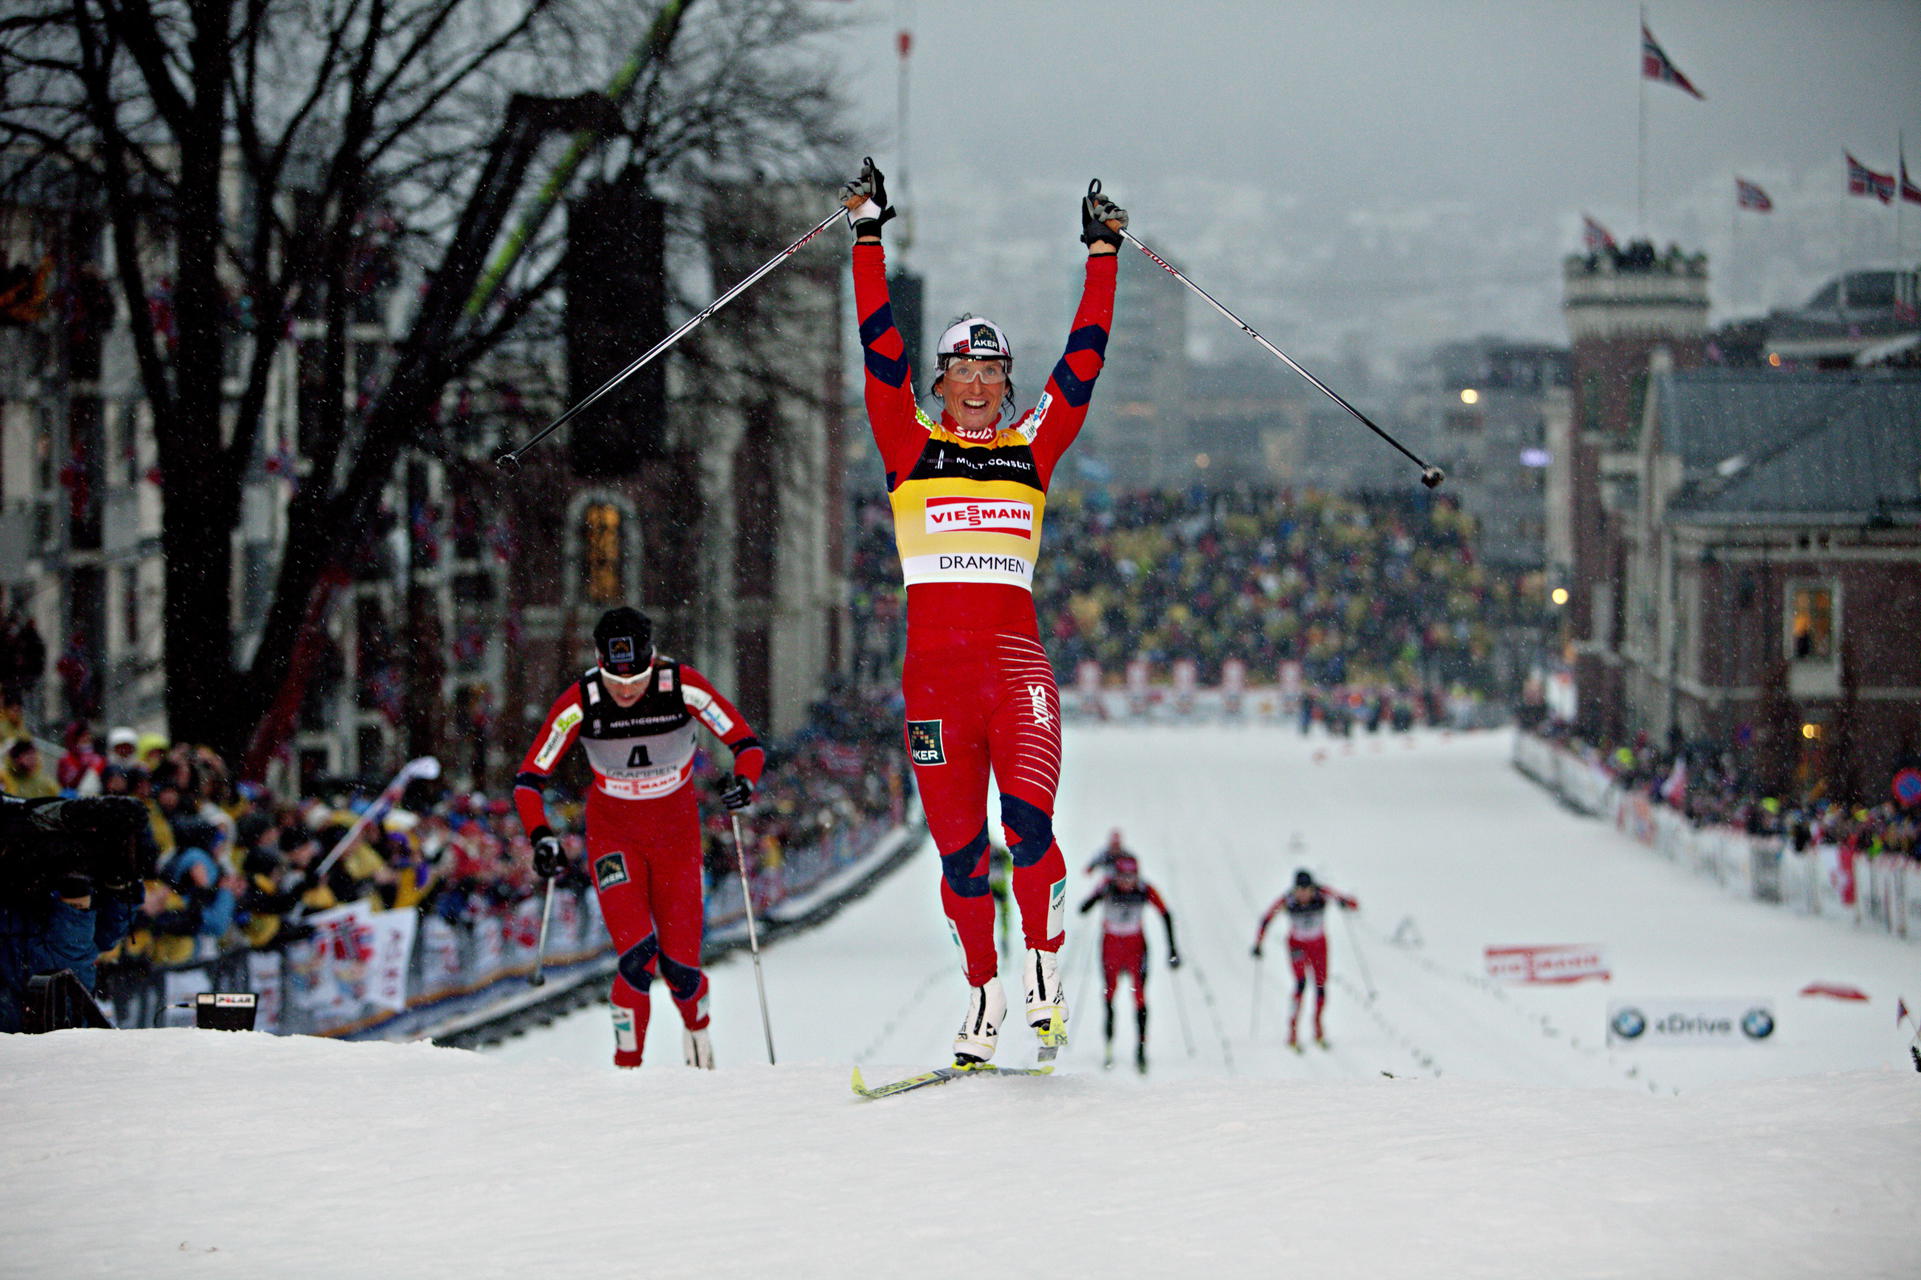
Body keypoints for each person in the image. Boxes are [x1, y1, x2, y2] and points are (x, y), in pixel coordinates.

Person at [843, 158, 1124, 1066]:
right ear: (941, 378)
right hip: (932, 681)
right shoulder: (905, 442)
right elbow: (877, 346)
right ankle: (983, 995)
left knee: (1029, 829)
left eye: (991, 368)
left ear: (1007, 381)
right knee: (961, 860)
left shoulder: (1031, 445)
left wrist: (1101, 251)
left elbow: (1083, 360)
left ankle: (1044, 961)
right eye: (961, 367)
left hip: (1013, 669)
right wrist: (867, 238)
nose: (975, 382)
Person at [513, 607, 764, 1070]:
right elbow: (530, 779)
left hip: (677, 838)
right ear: (598, 661)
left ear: (653, 660)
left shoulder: (681, 685)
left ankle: (699, 1039)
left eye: (636, 680)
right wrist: (541, 836)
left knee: (681, 971)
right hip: (614, 837)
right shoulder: (582, 700)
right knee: (637, 955)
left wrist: (743, 782)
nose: (626, 691)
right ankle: (626, 1070)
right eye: (615, 681)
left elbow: (746, 744)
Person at [1077, 852, 1178, 1072]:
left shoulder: (1145, 890)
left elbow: (1166, 914)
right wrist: (1092, 900)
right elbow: (1084, 906)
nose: (1127, 882)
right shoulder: (1107, 886)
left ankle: (1141, 1049)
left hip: (1136, 949)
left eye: (1131, 877)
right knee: (1109, 994)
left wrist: (1172, 950)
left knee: (1139, 997)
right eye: (1123, 877)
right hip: (1111, 949)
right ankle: (1109, 1047)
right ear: (1116, 875)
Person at [1252, 869, 1359, 1049]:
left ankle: (1318, 1029)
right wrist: (1258, 944)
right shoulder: (1288, 900)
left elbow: (1351, 903)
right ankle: (1292, 1032)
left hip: (1319, 946)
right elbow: (1267, 918)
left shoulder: (1322, 894)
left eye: (1306, 890)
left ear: (1312, 888)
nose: (1303, 894)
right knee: (1300, 984)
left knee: (1320, 986)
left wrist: (1345, 903)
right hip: (1298, 946)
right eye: (1299, 890)